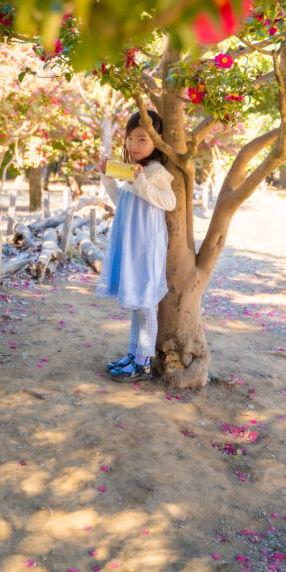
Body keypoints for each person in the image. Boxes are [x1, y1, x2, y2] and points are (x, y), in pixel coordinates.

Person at [96, 109, 176, 383]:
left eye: (142, 139)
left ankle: (143, 362)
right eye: (130, 139)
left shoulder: (156, 172)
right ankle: (133, 354)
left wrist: (141, 181)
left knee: (145, 304)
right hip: (131, 249)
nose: (134, 145)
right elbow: (123, 201)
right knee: (136, 304)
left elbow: (169, 202)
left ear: (157, 140)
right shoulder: (134, 172)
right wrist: (108, 177)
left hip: (147, 249)